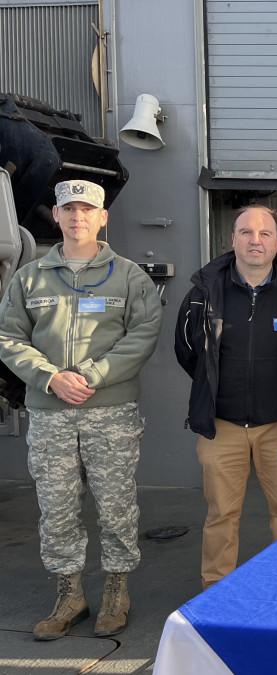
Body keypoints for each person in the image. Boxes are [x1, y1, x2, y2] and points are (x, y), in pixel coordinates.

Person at [0, 180, 162, 639]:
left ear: (103, 216)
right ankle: (69, 594)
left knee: (115, 505)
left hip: (109, 411)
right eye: (69, 209)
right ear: (55, 215)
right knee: (56, 508)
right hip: (50, 412)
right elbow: (8, 337)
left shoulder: (128, 276)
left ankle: (116, 590)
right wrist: (49, 377)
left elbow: (144, 333)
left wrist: (92, 375)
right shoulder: (29, 277)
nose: (78, 218)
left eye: (87, 210)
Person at [174, 204, 277, 589]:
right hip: (222, 425)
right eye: (246, 232)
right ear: (233, 239)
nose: (255, 240)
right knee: (221, 513)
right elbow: (188, 352)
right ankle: (216, 590)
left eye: (265, 233)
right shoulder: (204, 292)